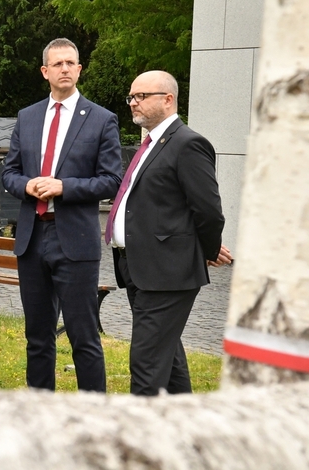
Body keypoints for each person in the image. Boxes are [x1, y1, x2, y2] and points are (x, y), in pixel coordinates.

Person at [1, 38, 122, 393]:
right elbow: (8, 173)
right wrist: (28, 186)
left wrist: (63, 187)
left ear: (80, 69)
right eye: (58, 64)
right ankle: (41, 410)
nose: (65, 69)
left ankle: (91, 413)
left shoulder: (101, 119)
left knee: (83, 336)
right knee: (37, 336)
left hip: (75, 241)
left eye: (71, 63)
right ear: (45, 72)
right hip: (32, 237)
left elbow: (112, 180)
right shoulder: (27, 117)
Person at [108, 70, 231, 396]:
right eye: (131, 97)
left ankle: (141, 442)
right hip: (136, 267)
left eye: (141, 96)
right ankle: (188, 429)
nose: (134, 103)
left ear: (168, 99)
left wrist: (205, 250)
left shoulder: (188, 144)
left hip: (166, 272)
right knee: (167, 357)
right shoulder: (149, 143)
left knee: (146, 365)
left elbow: (207, 211)